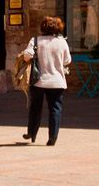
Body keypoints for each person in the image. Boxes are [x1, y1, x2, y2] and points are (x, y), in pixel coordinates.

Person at [18, 16, 72, 146]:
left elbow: (27, 56)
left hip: (38, 81)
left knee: (35, 107)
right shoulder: (62, 42)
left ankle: (32, 133)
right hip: (57, 81)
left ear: (43, 27)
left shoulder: (35, 40)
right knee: (55, 108)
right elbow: (67, 60)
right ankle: (52, 137)